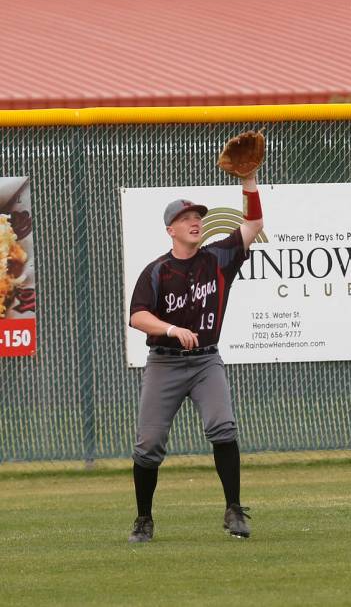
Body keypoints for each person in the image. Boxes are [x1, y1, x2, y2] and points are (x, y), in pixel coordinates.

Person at [128, 170, 263, 542]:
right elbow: (138, 316)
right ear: (170, 229)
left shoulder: (217, 259)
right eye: (185, 218)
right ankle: (144, 519)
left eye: (197, 217)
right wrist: (171, 329)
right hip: (165, 363)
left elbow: (253, 223)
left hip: (206, 362)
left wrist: (249, 182)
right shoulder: (157, 271)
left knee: (223, 426)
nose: (194, 222)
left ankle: (234, 509)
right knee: (148, 445)